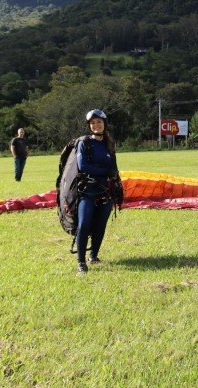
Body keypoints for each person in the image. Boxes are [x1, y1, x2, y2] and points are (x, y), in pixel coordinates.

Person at [75, 109, 120, 274]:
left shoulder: (109, 143)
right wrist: (105, 172)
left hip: (105, 191)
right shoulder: (84, 143)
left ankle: (93, 255)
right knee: (84, 224)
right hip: (87, 191)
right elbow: (83, 166)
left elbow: (114, 167)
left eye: (99, 122)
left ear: (104, 124)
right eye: (93, 123)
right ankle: (81, 263)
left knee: (100, 225)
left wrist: (115, 178)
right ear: (89, 126)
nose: (96, 125)